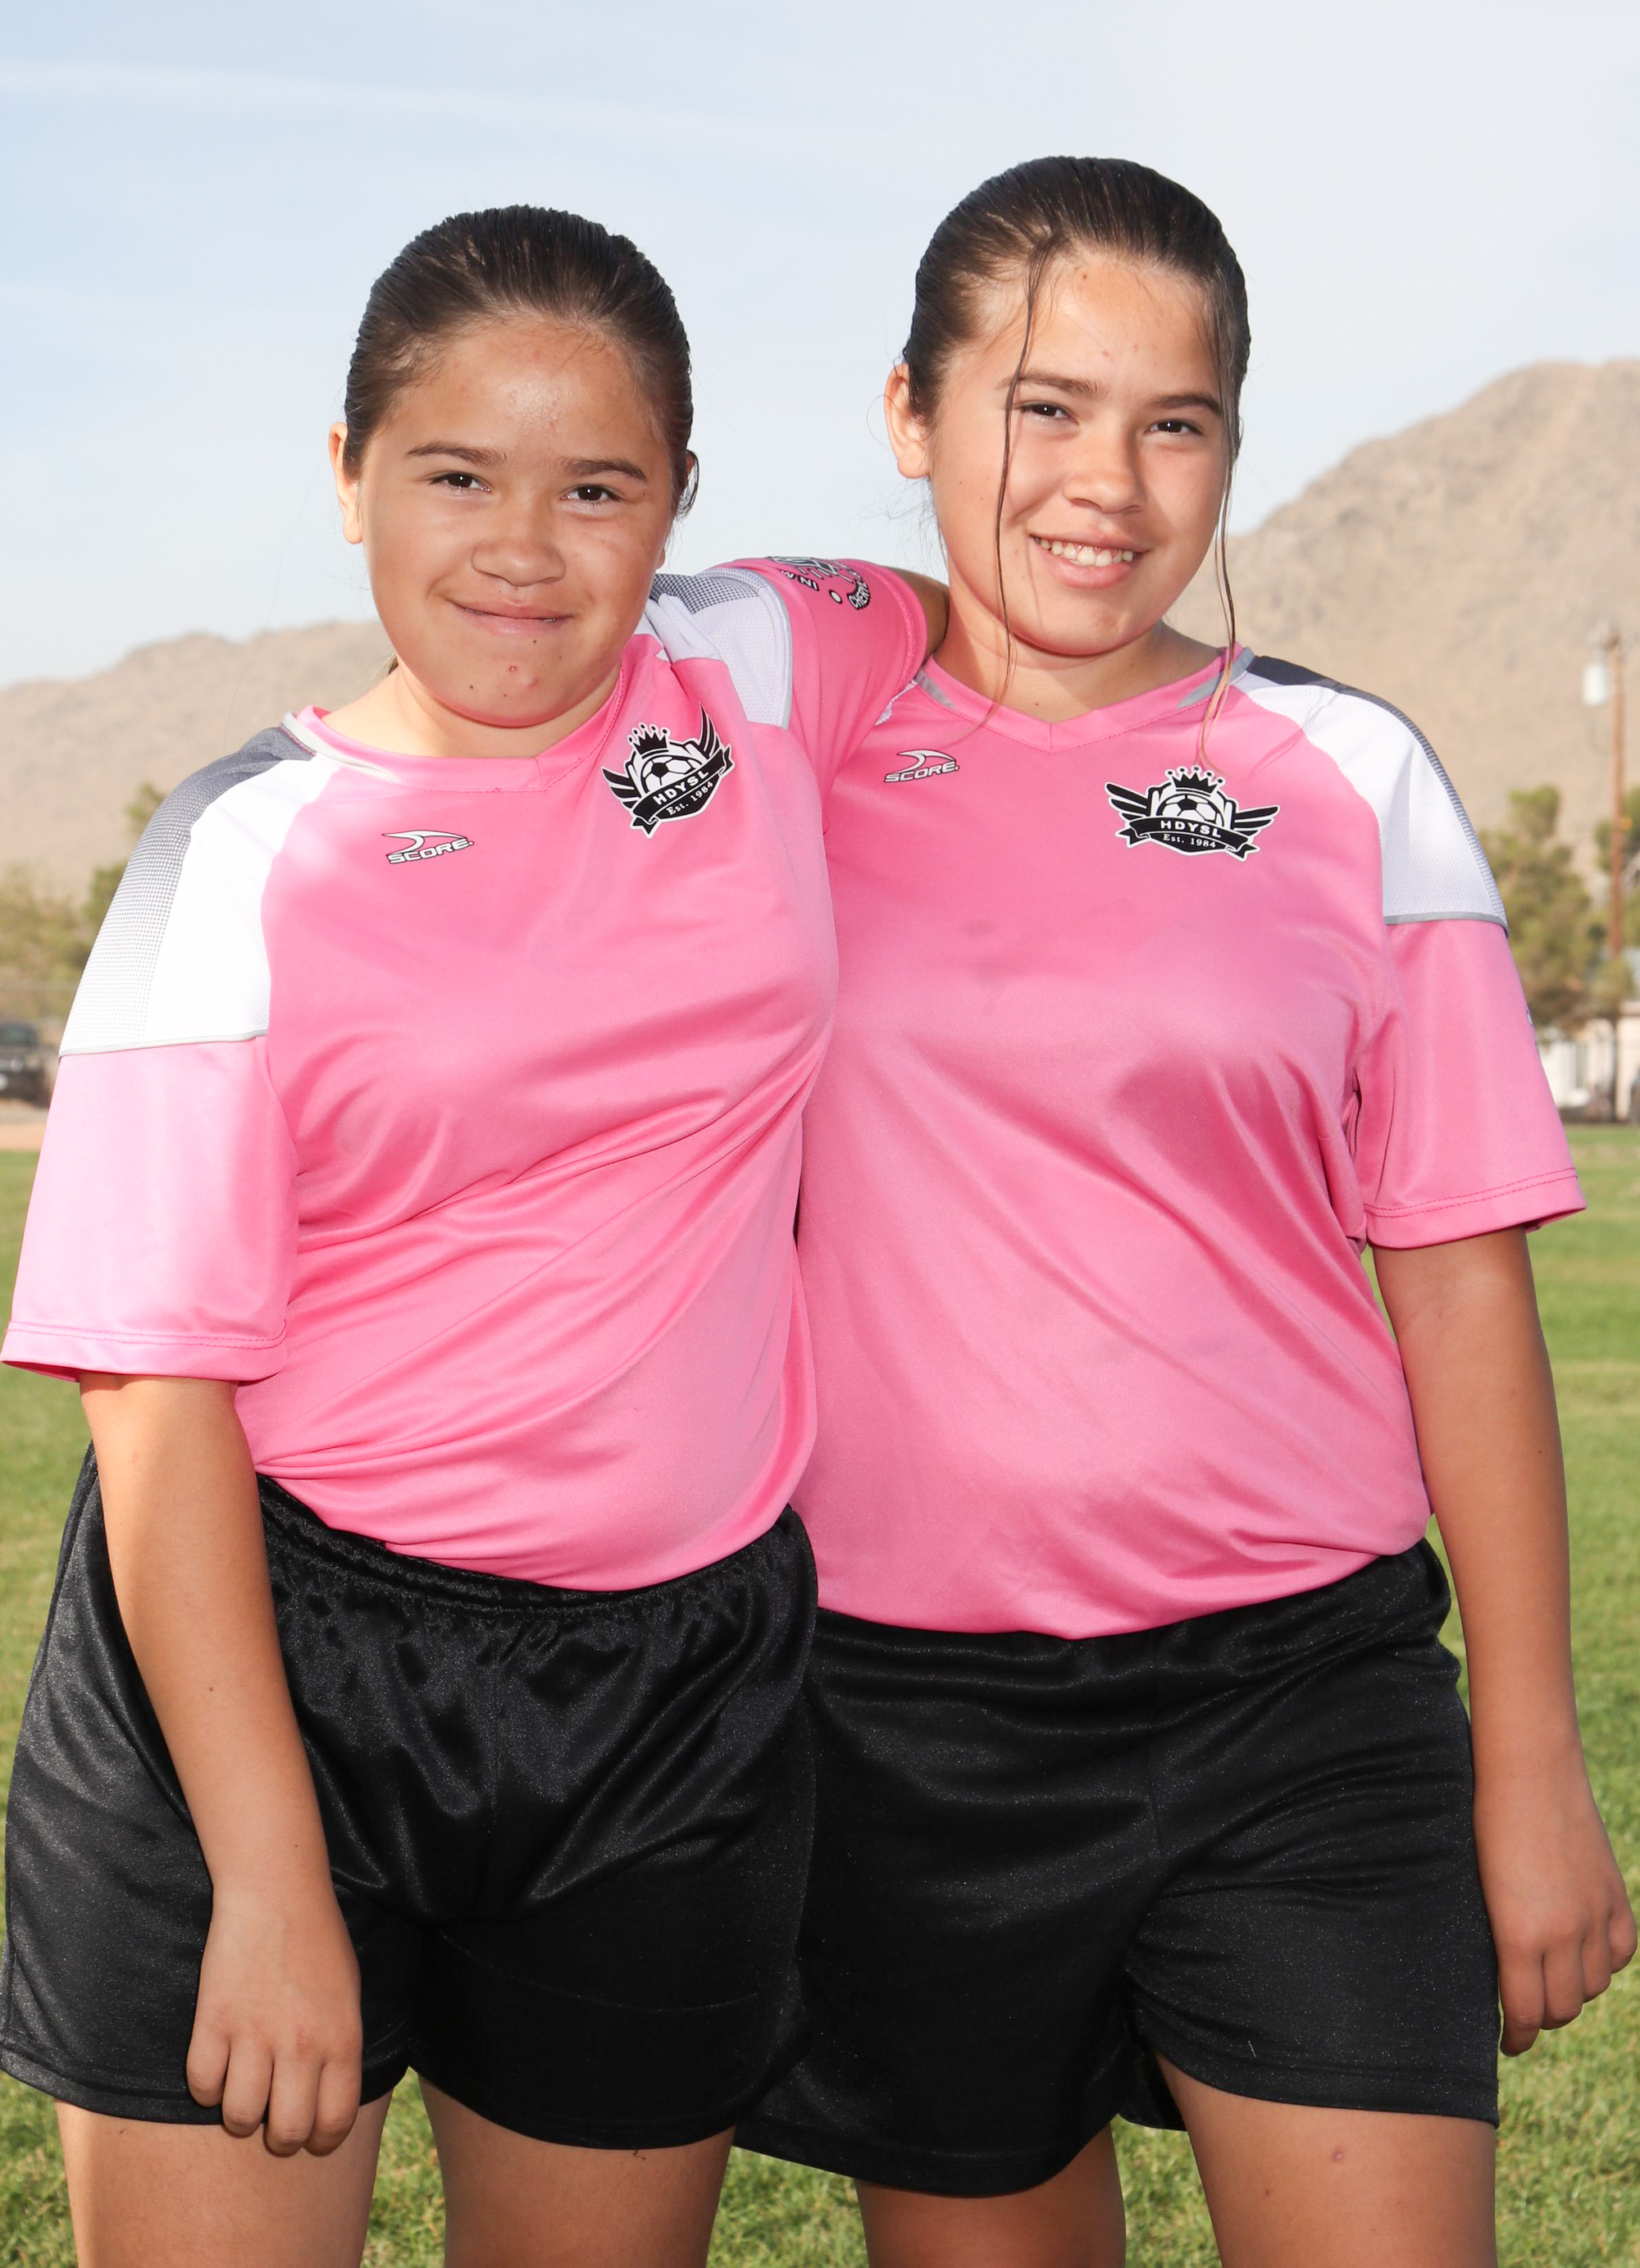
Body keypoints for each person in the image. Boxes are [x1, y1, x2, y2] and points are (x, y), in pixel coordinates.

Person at [0, 204, 938, 2268]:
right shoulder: (235, 856)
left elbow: (1035, 608)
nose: (524, 545)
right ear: (347, 474)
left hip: (676, 1684)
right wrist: (269, 1878)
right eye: (453, 473)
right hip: (272, 1660)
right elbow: (153, 1396)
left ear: (676, 500)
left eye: (595, 485)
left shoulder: (768, 661)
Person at [736, 157, 1636, 2268]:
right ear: (910, 416)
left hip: (1299, 1706)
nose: (1106, 483)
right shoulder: (780, 750)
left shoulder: (1349, 772)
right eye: (1042, 407)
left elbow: (1458, 1289)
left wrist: (1529, 1749)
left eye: (1175, 422)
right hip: (902, 1721)